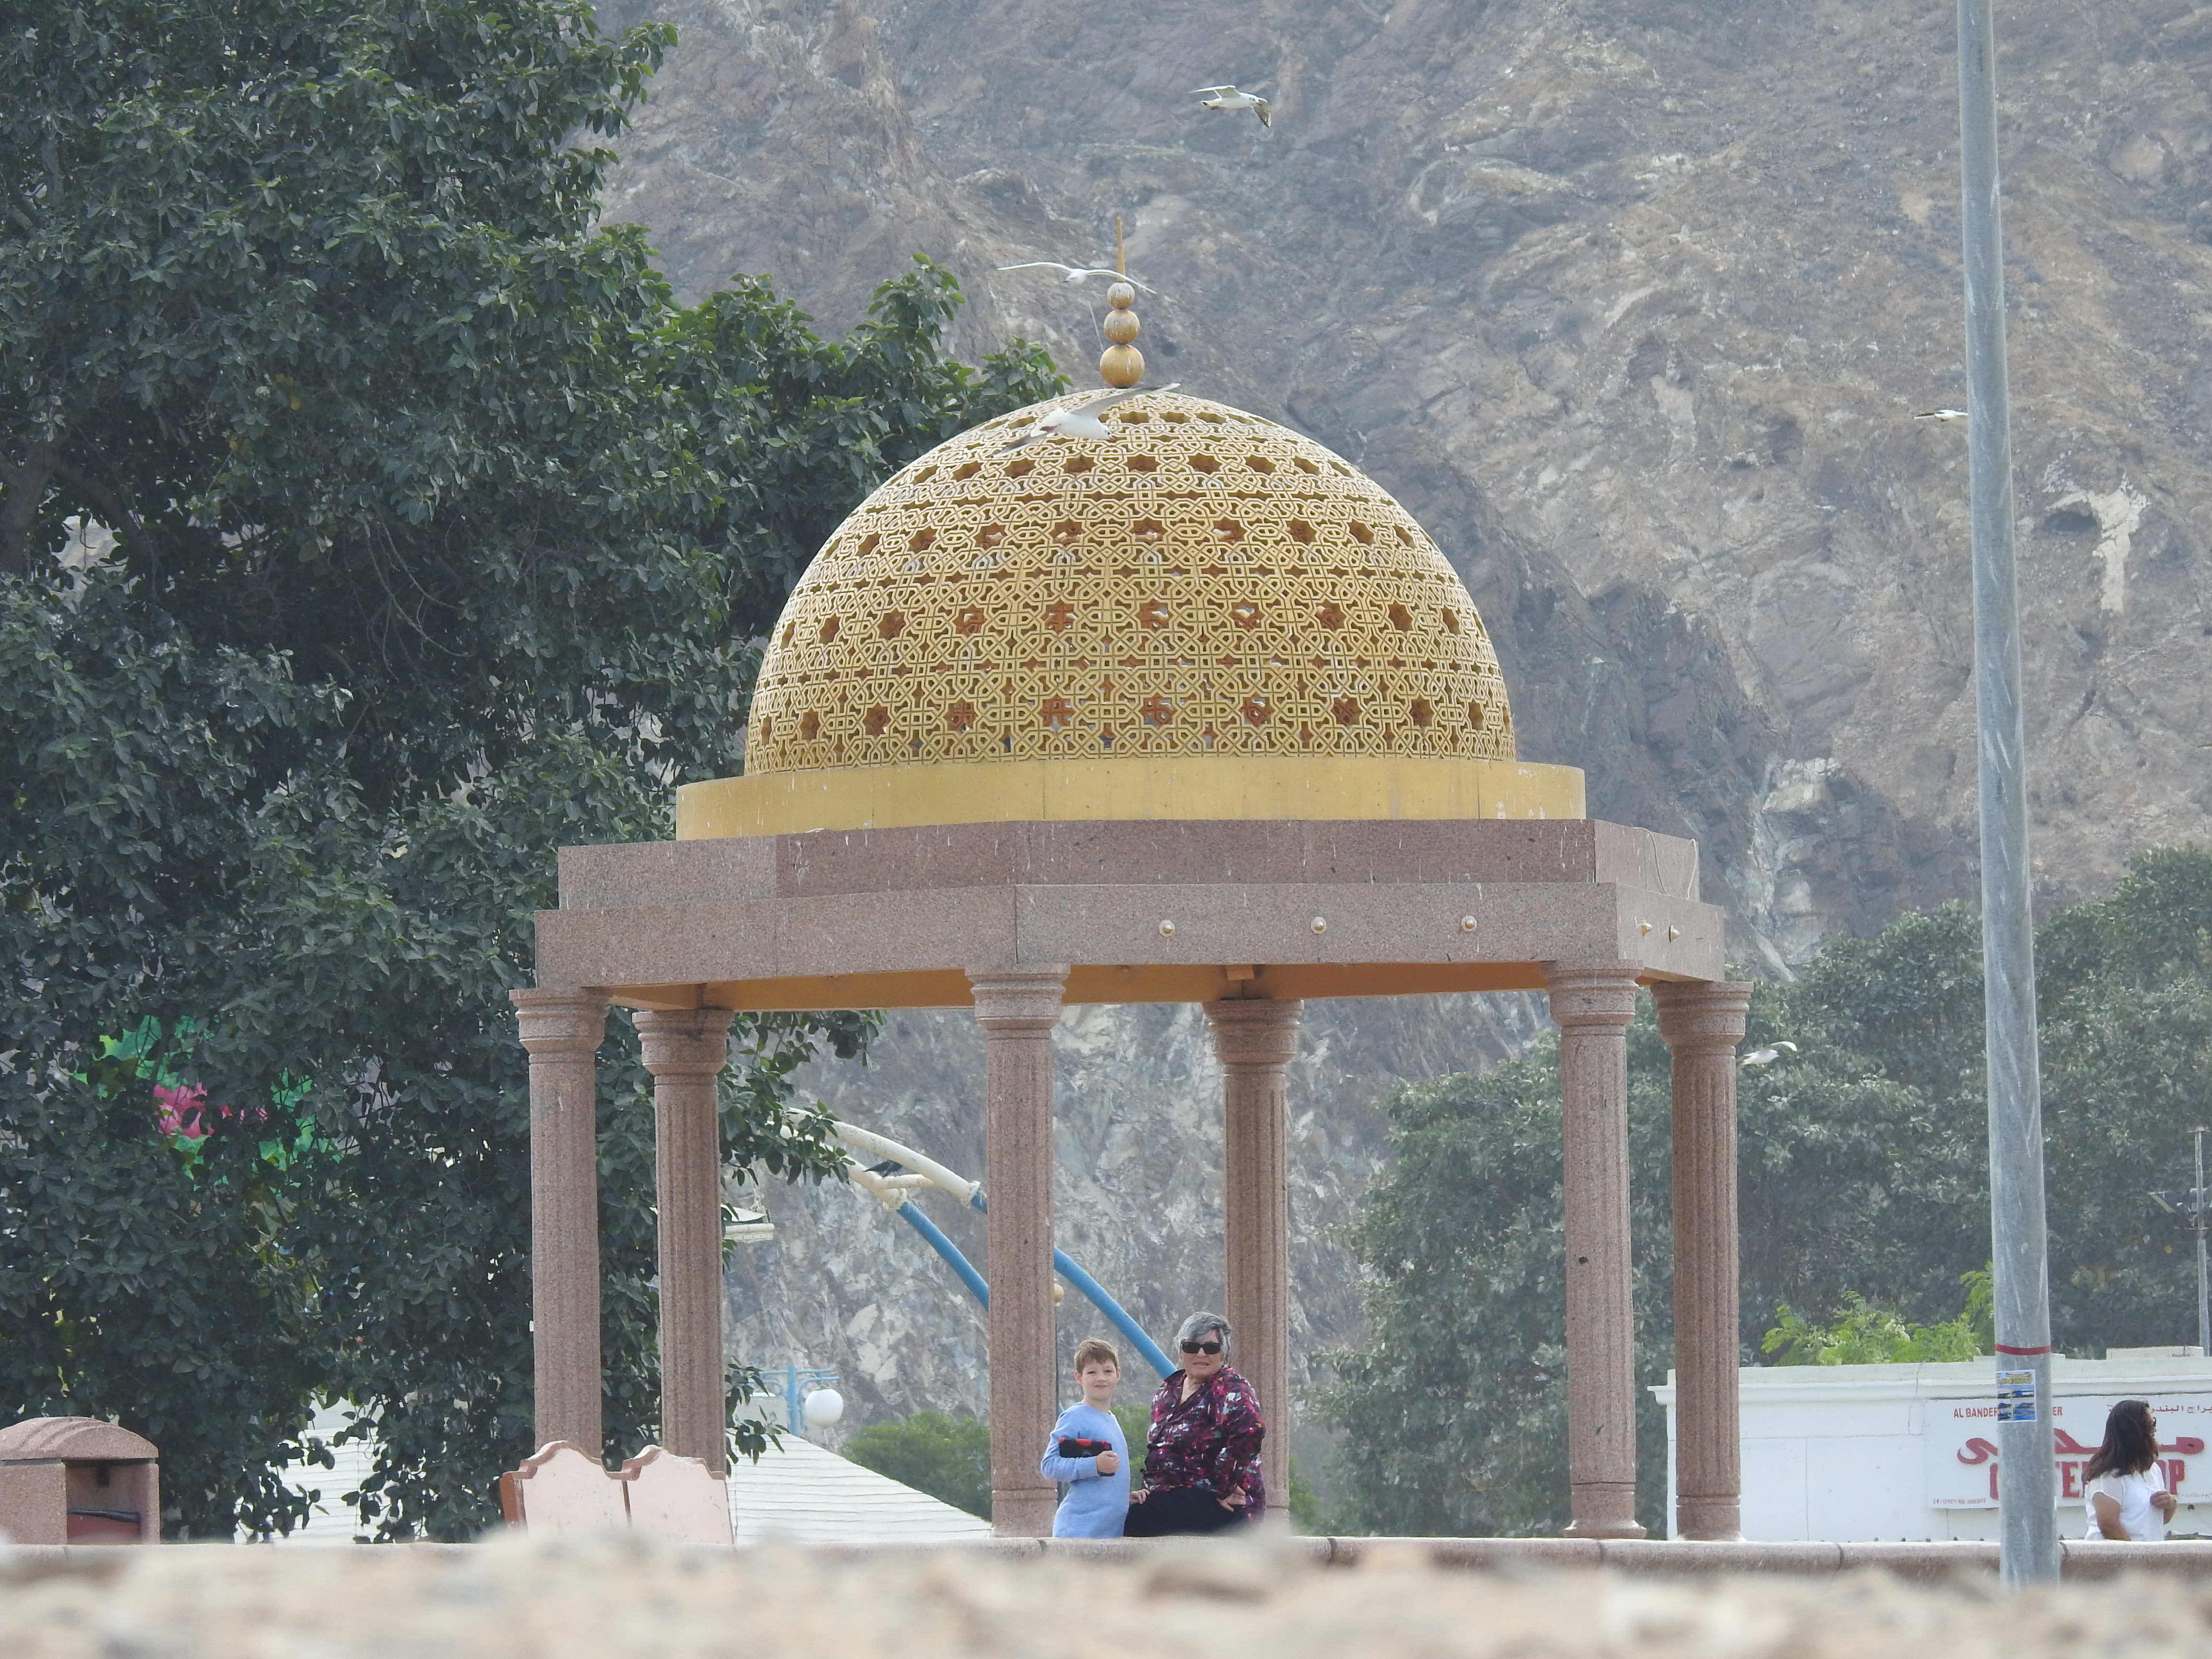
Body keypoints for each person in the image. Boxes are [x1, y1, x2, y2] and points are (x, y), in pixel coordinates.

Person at [1123, 1311, 1265, 1536]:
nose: (1201, 1354)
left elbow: (1251, 1429)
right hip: (1173, 1497)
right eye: (1191, 1347)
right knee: (1128, 1512)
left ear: (1223, 1353)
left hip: (1216, 1500)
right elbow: (1160, 1451)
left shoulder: (1231, 1388)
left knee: (1138, 1519)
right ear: (1181, 1352)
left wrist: (1226, 1484)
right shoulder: (1168, 1391)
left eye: (1210, 1348)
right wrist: (1147, 1490)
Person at [1039, 1337, 1131, 1538]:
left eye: (1108, 1371)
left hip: (1108, 1533)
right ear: (1078, 1377)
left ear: (1118, 1375)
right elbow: (1049, 1465)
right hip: (1078, 1531)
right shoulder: (1074, 1417)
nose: (1101, 1378)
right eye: (1092, 1372)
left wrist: (1125, 1498)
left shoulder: (1112, 1420)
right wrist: (1095, 1465)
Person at [2083, 1397, 2177, 1541]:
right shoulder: (2108, 1475)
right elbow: (2108, 1525)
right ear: (2133, 1431)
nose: (2154, 1430)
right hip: (2115, 1555)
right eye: (2149, 1425)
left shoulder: (2152, 1469)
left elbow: (2156, 1521)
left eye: (2154, 1423)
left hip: (2151, 1554)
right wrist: (2136, 1554)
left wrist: (2171, 1504)